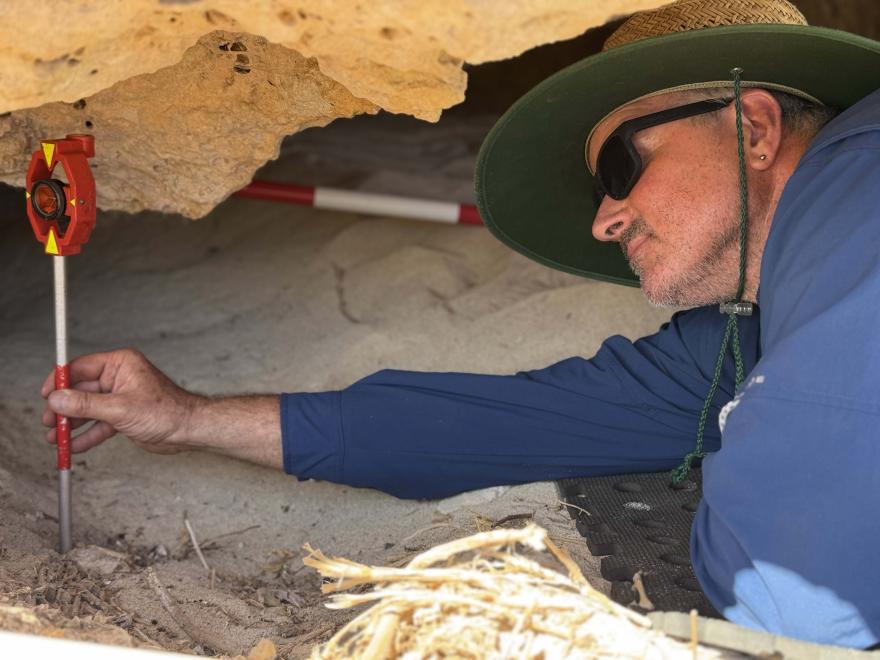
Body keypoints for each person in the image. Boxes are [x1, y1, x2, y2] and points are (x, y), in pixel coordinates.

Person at [40, 0, 880, 649]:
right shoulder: (753, 325)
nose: (604, 219)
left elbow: (793, 598)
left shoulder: (859, 192)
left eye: (622, 167)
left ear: (754, 126)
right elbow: (509, 424)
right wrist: (186, 418)